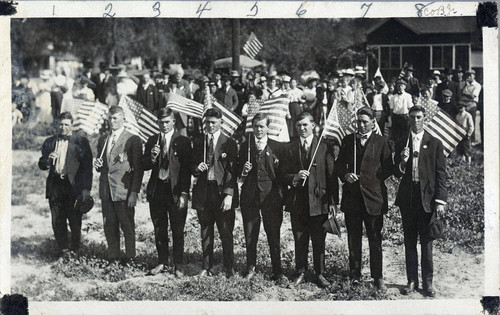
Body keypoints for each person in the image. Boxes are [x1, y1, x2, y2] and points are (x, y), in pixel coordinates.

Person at [335, 107, 393, 292]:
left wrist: (372, 179)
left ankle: (378, 277)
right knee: (353, 238)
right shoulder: (348, 140)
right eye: (358, 121)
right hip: (352, 198)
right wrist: (345, 175)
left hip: (373, 199)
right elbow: (338, 166)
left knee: (375, 238)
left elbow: (388, 169)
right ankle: (355, 275)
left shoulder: (381, 142)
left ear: (372, 123)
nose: (361, 125)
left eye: (365, 122)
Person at [280, 112, 339, 288]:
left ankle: (320, 273)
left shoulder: (324, 147)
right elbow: (282, 174)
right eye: (299, 126)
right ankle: (301, 271)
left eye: (305, 125)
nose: (302, 129)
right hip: (298, 201)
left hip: (319, 201)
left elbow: (331, 176)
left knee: (319, 238)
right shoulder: (290, 148)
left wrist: (333, 202)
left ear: (313, 125)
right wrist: (294, 177)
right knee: (300, 237)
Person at [394, 106, 447, 298]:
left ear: (424, 118)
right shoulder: (402, 142)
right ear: (408, 119)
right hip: (408, 198)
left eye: (419, 117)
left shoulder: (434, 143)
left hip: (427, 198)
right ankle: (411, 281)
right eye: (412, 117)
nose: (415, 120)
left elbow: (441, 174)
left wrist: (440, 201)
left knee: (426, 242)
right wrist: (402, 162)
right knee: (409, 242)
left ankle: (428, 282)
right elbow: (396, 172)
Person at [142, 108, 192, 276]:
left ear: (173, 122)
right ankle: (162, 262)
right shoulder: (152, 140)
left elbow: (186, 170)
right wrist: (152, 158)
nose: (164, 125)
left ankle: (178, 264)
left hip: (175, 191)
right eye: (161, 122)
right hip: (157, 190)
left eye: (167, 122)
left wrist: (184, 193)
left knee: (178, 228)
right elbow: (145, 166)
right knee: (159, 228)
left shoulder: (183, 141)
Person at [236, 113, 285, 282]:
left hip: (271, 197)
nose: (258, 129)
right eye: (256, 126)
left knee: (273, 234)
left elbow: (282, 175)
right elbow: (235, 171)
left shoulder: (276, 147)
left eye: (262, 126)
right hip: (250, 196)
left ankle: (277, 270)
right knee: (250, 233)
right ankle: (251, 267)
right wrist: (242, 171)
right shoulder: (245, 147)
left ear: (267, 127)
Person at [191, 108, 238, 277]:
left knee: (226, 231)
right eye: (208, 122)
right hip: (204, 191)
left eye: (213, 123)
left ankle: (228, 267)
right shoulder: (199, 142)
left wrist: (228, 194)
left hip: (221, 193)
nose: (210, 126)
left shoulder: (229, 143)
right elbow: (191, 166)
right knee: (205, 230)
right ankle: (206, 266)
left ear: (220, 123)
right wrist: (197, 168)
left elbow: (232, 172)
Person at [38, 112, 93, 257]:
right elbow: (41, 164)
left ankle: (75, 250)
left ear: (72, 125)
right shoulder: (49, 142)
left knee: (74, 219)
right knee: (57, 218)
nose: (63, 127)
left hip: (73, 186)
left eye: (66, 124)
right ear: (57, 124)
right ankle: (63, 249)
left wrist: (86, 190)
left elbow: (87, 168)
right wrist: (48, 161)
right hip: (55, 184)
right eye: (61, 124)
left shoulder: (81, 142)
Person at [94, 106, 144, 264]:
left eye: (115, 118)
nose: (112, 121)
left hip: (124, 189)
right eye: (110, 118)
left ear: (123, 119)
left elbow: (138, 168)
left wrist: (134, 192)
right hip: (106, 189)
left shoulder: (132, 139)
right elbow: (102, 166)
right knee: (109, 224)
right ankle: (113, 256)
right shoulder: (103, 139)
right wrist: (98, 164)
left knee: (127, 224)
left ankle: (130, 258)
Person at [461, 70, 482, 143]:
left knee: (471, 122)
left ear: (474, 76)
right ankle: (465, 139)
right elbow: (461, 93)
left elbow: (473, 96)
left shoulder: (477, 85)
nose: (469, 77)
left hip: (472, 104)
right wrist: (465, 86)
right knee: (464, 121)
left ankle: (472, 140)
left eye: (471, 75)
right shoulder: (465, 84)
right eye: (468, 75)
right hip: (464, 104)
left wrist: (466, 92)